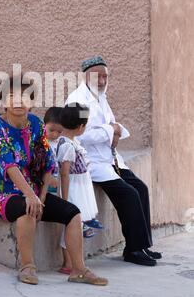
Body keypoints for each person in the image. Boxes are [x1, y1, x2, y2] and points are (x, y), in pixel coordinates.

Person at [0, 76, 108, 286]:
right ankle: (27, 266)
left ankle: (78, 269)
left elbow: (48, 162)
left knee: (72, 213)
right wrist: (31, 197)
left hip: (34, 192)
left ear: (31, 102)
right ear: (3, 102)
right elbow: (9, 165)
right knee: (27, 209)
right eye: (11, 97)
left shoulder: (35, 124)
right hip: (3, 193)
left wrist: (40, 196)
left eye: (23, 97)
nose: (17, 102)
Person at [66, 56, 162, 266]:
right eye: (97, 76)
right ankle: (133, 251)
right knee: (129, 194)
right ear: (85, 76)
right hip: (92, 163)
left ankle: (142, 245)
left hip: (109, 159)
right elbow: (81, 135)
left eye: (104, 76)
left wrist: (113, 129)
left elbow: (111, 122)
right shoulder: (78, 101)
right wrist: (112, 130)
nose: (101, 81)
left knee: (141, 189)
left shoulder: (101, 96)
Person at [56, 103, 102, 274]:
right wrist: (65, 199)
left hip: (80, 187)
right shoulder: (67, 145)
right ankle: (68, 262)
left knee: (78, 225)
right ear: (81, 127)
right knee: (71, 225)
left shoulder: (73, 141)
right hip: (74, 190)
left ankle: (73, 261)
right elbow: (65, 173)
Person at [43, 106, 63, 194]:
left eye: (59, 132)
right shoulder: (41, 142)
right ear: (44, 125)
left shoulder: (63, 142)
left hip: (59, 182)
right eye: (51, 130)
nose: (55, 134)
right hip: (44, 182)